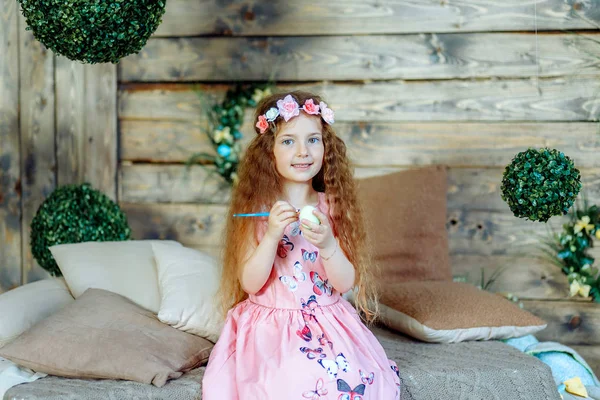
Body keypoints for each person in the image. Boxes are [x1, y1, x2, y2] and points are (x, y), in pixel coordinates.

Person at [202, 90, 401, 399]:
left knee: (347, 378)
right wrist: (271, 236)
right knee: (291, 376)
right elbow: (251, 283)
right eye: (288, 141)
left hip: (328, 321)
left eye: (313, 139)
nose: (303, 152)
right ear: (269, 152)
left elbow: (345, 281)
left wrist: (328, 244)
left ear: (326, 147)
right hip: (270, 325)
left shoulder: (334, 207)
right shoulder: (259, 211)